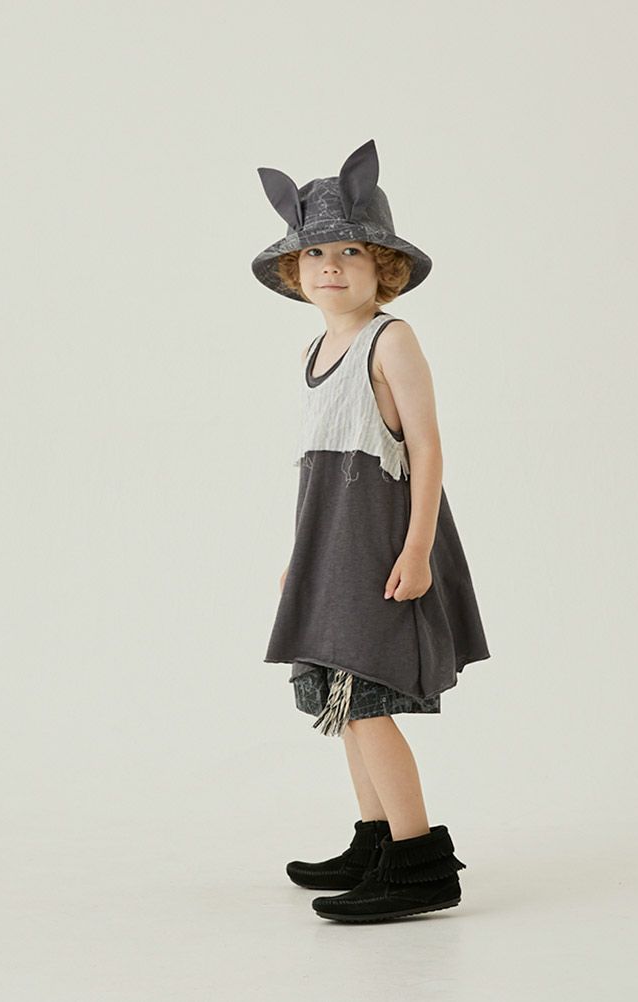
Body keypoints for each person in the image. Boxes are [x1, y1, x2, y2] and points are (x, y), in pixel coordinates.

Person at [252, 138, 491, 923]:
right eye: (315, 252)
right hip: (332, 546)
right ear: (296, 272)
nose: (330, 266)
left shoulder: (392, 340)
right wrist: (300, 557)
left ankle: (420, 864)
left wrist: (417, 549)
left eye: (349, 251)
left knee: (366, 699)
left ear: (381, 265)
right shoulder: (316, 348)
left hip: (381, 545)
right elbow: (317, 470)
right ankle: (376, 841)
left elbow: (425, 448)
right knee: (340, 693)